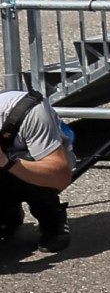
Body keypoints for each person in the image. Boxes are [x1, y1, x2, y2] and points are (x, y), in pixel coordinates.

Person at [0, 83, 76, 253]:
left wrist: (6, 162)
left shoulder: (28, 110)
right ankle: (7, 214)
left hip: (37, 161)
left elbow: (59, 175)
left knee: (23, 162)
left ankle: (52, 218)